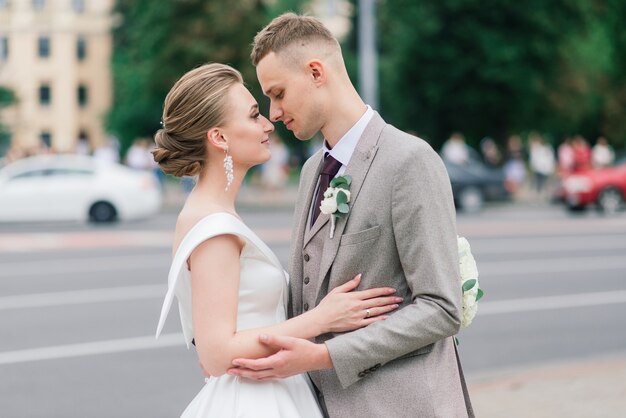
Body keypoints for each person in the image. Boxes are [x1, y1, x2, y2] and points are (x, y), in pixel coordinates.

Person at [226, 13, 474, 417]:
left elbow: (442, 308)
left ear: (316, 72)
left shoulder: (409, 161)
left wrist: (323, 357)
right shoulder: (310, 173)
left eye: (279, 93)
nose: (274, 112)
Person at [153, 63, 400, 417]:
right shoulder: (214, 227)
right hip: (254, 402)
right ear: (219, 137)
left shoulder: (209, 213)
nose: (268, 123)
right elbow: (216, 353)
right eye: (254, 115)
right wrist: (323, 318)